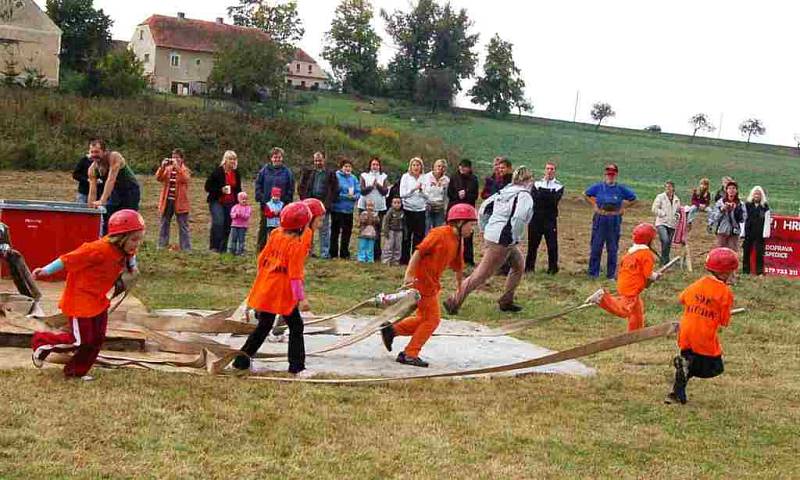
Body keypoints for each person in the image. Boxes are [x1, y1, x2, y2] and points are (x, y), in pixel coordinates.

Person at [30, 210, 145, 381]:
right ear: (120, 237)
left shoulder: (125, 249)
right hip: (80, 301)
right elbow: (67, 259)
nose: (137, 243)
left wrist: (132, 268)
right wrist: (45, 270)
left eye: (139, 238)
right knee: (80, 340)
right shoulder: (97, 249)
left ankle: (76, 372)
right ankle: (41, 343)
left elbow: (131, 256)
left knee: (96, 339)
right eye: (134, 239)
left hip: (98, 300)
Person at [380, 204, 477, 367]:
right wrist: (409, 275)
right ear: (459, 222)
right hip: (421, 282)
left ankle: (392, 330)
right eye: (470, 224)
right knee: (432, 320)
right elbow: (418, 252)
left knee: (424, 319)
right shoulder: (439, 234)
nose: (472, 229)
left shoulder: (458, 241)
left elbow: (458, 267)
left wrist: (460, 291)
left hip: (432, 284)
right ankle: (410, 354)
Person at [233, 202, 313, 376]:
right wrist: (301, 299)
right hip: (282, 292)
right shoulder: (296, 245)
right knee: (296, 326)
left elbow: (261, 259)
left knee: (264, 325)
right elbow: (295, 275)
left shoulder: (275, 234)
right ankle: (297, 367)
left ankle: (241, 361)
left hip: (266, 286)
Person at [445, 167, 535, 314]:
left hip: (496, 235)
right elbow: (519, 217)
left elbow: (484, 208)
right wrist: (515, 236)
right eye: (531, 179)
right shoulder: (525, 196)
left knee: (518, 266)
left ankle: (506, 300)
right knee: (481, 275)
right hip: (504, 240)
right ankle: (453, 301)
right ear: (527, 180)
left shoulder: (505, 190)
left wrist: (485, 227)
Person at [665, 247, 737, 405]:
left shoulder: (699, 283)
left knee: (688, 361)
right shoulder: (725, 293)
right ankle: (686, 366)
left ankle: (677, 394)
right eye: (732, 271)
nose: (734, 275)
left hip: (686, 332)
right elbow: (724, 322)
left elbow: (682, 298)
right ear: (724, 273)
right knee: (714, 368)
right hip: (703, 336)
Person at [586, 223, 660, 331]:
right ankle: (602, 298)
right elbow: (648, 274)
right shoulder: (646, 254)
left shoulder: (631, 252)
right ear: (649, 239)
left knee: (636, 310)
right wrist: (656, 275)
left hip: (624, 283)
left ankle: (636, 332)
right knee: (624, 310)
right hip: (632, 287)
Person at [584, 163, 637, 279]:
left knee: (612, 249)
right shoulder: (598, 187)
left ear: (616, 175)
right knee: (596, 247)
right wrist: (595, 206)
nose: (610, 176)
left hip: (614, 220)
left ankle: (611, 275)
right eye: (608, 174)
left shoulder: (621, 189)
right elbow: (586, 194)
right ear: (605, 174)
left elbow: (633, 199)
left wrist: (623, 208)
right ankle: (593, 274)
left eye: (612, 174)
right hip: (600, 219)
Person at [87, 139, 141, 234]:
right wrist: (90, 206)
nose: (94, 155)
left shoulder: (114, 157)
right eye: (92, 152)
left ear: (104, 151)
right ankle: (107, 242)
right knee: (109, 217)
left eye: (97, 152)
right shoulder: (92, 169)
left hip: (130, 190)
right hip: (114, 191)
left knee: (127, 218)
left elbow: (111, 179)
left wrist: (102, 200)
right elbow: (92, 189)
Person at [526, 161, 564, 274]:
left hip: (550, 220)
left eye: (552, 169)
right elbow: (534, 199)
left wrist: (541, 196)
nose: (549, 171)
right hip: (535, 219)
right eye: (547, 168)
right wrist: (548, 196)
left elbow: (554, 201)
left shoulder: (559, 186)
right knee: (532, 244)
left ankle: (552, 269)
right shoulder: (537, 184)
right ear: (544, 170)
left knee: (552, 245)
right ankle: (529, 268)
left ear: (555, 171)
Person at [298, 151, 338, 258]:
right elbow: (301, 187)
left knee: (324, 230)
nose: (317, 162)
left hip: (324, 206)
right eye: (316, 160)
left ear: (324, 160)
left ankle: (324, 253)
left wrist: (327, 204)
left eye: (319, 160)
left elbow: (334, 190)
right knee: (308, 230)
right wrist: (305, 201)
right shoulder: (308, 173)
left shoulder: (330, 174)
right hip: (310, 206)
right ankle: (308, 251)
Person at [255, 147, 295, 252]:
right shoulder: (264, 170)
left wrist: (286, 201)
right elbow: (258, 184)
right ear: (271, 158)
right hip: (266, 204)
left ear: (282, 158)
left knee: (280, 228)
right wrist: (261, 197)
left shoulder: (287, 172)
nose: (277, 159)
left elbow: (291, 187)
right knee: (264, 227)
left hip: (281, 206)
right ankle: (261, 249)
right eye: (275, 157)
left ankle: (279, 249)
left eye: (279, 157)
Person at [0, 222, 43, 316]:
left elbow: (7, 244)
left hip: (4, 250)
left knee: (15, 256)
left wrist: (6, 250)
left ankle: (31, 295)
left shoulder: (3, 227)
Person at [205, 150, 242, 253]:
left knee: (228, 224)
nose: (233, 161)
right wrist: (221, 190)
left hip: (231, 202)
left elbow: (238, 188)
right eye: (230, 159)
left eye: (234, 159)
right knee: (218, 222)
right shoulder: (217, 172)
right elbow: (207, 187)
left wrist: (240, 200)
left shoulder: (236, 173)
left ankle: (224, 248)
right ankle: (214, 247)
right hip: (217, 200)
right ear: (225, 160)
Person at [156, 148, 192, 251]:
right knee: (164, 223)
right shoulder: (168, 169)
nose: (174, 160)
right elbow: (159, 178)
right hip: (167, 200)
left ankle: (186, 248)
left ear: (182, 159)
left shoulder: (185, 170)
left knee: (183, 225)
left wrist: (178, 169)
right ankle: (162, 245)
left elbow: (185, 179)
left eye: (177, 157)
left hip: (180, 201)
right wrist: (162, 167)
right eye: (173, 157)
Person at [447, 159, 479, 266]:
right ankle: (452, 259)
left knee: (468, 236)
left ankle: (468, 260)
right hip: (455, 210)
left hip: (468, 211)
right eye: (460, 166)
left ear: (469, 168)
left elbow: (475, 196)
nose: (462, 168)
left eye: (464, 167)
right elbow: (449, 193)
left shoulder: (474, 179)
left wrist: (466, 195)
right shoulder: (454, 177)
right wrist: (457, 195)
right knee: (454, 236)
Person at [357, 156, 389, 261]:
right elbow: (362, 190)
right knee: (364, 230)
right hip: (364, 206)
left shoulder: (383, 176)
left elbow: (385, 192)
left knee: (377, 231)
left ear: (380, 166)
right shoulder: (364, 175)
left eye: (377, 164)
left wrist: (378, 185)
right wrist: (371, 186)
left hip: (379, 206)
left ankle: (375, 255)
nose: (375, 166)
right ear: (370, 165)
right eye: (373, 164)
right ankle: (363, 254)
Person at [329, 157, 360, 259]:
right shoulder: (336, 176)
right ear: (341, 167)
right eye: (346, 166)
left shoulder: (354, 178)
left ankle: (344, 253)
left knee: (347, 232)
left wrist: (354, 197)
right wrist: (346, 196)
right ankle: (333, 252)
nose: (347, 168)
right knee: (335, 232)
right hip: (337, 209)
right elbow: (334, 191)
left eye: (349, 167)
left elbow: (358, 192)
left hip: (349, 210)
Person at [399, 157, 427, 265]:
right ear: (410, 166)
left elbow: (428, 196)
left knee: (419, 236)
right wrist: (413, 189)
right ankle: (404, 260)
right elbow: (402, 194)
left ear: (421, 167)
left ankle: (416, 260)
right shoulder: (405, 177)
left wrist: (421, 192)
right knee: (406, 236)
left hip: (420, 210)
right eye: (414, 165)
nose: (416, 167)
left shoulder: (425, 178)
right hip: (408, 210)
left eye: (418, 165)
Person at [708, 181, 745, 251]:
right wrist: (722, 210)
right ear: (726, 190)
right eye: (729, 188)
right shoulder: (720, 202)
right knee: (720, 252)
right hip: (722, 231)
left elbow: (743, 219)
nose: (731, 190)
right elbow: (714, 217)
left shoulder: (741, 204)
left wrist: (736, 210)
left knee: (732, 253)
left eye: (733, 188)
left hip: (734, 232)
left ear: (736, 191)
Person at [742, 186, 771, 275]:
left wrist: (766, 233)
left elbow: (767, 221)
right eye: (755, 193)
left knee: (760, 252)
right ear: (752, 195)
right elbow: (743, 218)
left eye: (758, 194)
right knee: (746, 251)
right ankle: (746, 271)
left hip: (759, 232)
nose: (756, 195)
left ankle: (759, 271)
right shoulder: (747, 205)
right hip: (748, 231)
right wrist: (742, 232)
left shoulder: (765, 207)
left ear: (761, 195)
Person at [651, 181, 681, 266]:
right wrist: (663, 214)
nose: (667, 189)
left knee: (668, 243)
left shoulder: (676, 199)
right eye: (666, 187)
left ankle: (665, 260)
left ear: (673, 188)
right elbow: (654, 208)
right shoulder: (660, 197)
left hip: (672, 224)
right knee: (665, 240)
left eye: (669, 187)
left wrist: (676, 217)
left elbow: (678, 211)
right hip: (662, 222)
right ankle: (664, 260)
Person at [423, 159, 450, 232]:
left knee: (438, 230)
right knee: (427, 229)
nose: (440, 168)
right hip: (428, 206)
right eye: (438, 166)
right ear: (434, 167)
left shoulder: (446, 180)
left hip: (440, 208)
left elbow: (447, 196)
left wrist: (445, 209)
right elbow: (422, 192)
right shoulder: (426, 177)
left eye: (443, 167)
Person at [228, 191, 252, 256]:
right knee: (234, 238)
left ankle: (240, 251)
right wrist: (236, 214)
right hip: (234, 225)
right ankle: (232, 250)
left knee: (241, 239)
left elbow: (247, 216)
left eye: (245, 199)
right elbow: (232, 215)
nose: (244, 200)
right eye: (242, 199)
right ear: (239, 200)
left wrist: (241, 214)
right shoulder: (235, 207)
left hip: (243, 226)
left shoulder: (248, 208)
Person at [382, 197, 405, 266]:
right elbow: (386, 222)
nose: (397, 204)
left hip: (399, 231)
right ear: (392, 204)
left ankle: (396, 260)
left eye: (398, 203)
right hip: (391, 231)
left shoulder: (402, 212)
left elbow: (404, 223)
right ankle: (386, 260)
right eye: (395, 203)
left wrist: (405, 232)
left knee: (398, 246)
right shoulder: (390, 211)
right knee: (389, 245)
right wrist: (386, 231)